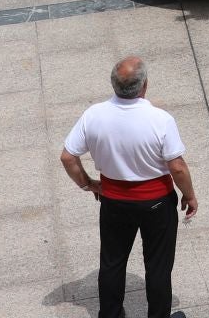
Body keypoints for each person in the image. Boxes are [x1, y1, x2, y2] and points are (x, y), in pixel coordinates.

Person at [59, 54, 200, 318]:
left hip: (113, 201)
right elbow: (177, 167)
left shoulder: (94, 115)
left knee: (112, 263)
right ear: (144, 85)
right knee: (157, 267)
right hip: (157, 202)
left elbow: (68, 157)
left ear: (113, 85)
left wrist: (88, 184)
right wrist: (189, 195)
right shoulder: (160, 119)